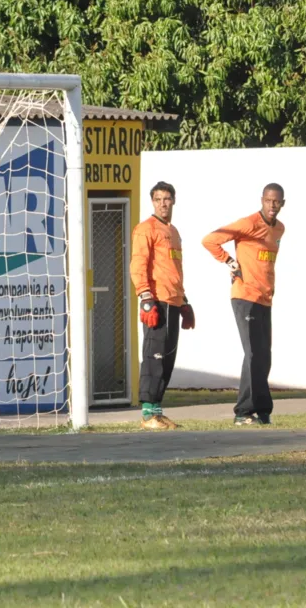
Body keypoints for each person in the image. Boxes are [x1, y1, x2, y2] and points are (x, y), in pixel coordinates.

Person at [202, 184, 286, 426]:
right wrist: (229, 261)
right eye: (268, 200)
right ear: (262, 200)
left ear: (283, 204)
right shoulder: (248, 223)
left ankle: (262, 409)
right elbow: (210, 240)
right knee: (251, 353)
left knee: (264, 355)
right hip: (244, 296)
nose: (272, 205)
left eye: (276, 201)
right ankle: (242, 412)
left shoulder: (279, 229)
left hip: (264, 298)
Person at [129, 181, 195, 430]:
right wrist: (145, 298)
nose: (163, 203)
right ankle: (147, 413)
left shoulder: (174, 231)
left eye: (167, 199)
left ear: (174, 200)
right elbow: (138, 264)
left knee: (168, 358)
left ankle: (157, 409)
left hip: (173, 300)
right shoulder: (146, 229)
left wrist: (185, 301)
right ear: (152, 201)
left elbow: (174, 270)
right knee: (153, 356)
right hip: (156, 300)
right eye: (158, 199)